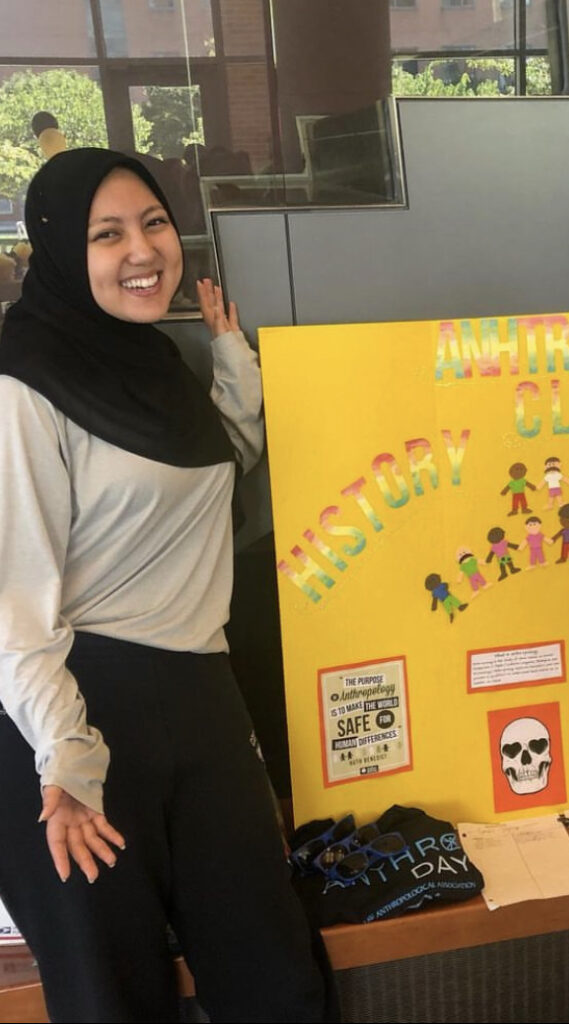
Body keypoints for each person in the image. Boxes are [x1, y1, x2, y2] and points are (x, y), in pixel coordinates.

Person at [0, 149, 329, 1022]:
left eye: (151, 223)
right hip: (75, 709)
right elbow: (13, 603)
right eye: (106, 234)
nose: (142, 249)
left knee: (275, 973)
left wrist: (230, 356)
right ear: (61, 251)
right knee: (114, 995)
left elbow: (213, 472)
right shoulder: (25, 389)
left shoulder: (151, 367)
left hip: (199, 692)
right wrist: (66, 757)